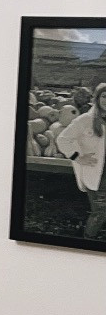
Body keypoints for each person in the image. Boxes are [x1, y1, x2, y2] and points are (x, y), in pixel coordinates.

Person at [54, 81, 106, 238]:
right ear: (97, 99)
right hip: (97, 173)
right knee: (100, 212)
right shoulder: (86, 119)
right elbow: (63, 139)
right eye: (104, 96)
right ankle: (87, 241)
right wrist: (78, 157)